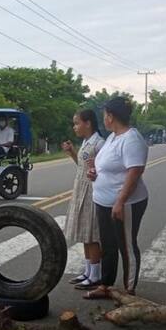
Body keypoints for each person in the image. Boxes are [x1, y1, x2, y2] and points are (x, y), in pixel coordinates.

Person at [84, 96, 149, 299]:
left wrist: (120, 201)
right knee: (108, 245)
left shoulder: (131, 139)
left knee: (126, 246)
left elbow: (135, 172)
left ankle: (129, 291)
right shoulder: (113, 137)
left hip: (126, 203)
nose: (103, 118)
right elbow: (106, 165)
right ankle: (105, 285)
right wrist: (94, 172)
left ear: (111, 116)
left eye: (104, 114)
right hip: (103, 202)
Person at [62, 109, 105, 290]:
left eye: (77, 123)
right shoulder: (87, 142)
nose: (75, 127)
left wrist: (97, 172)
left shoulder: (99, 144)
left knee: (92, 234)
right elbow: (83, 166)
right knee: (84, 233)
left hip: (92, 191)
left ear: (88, 123)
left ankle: (95, 275)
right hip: (81, 189)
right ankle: (88, 271)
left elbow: (104, 170)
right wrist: (72, 152)